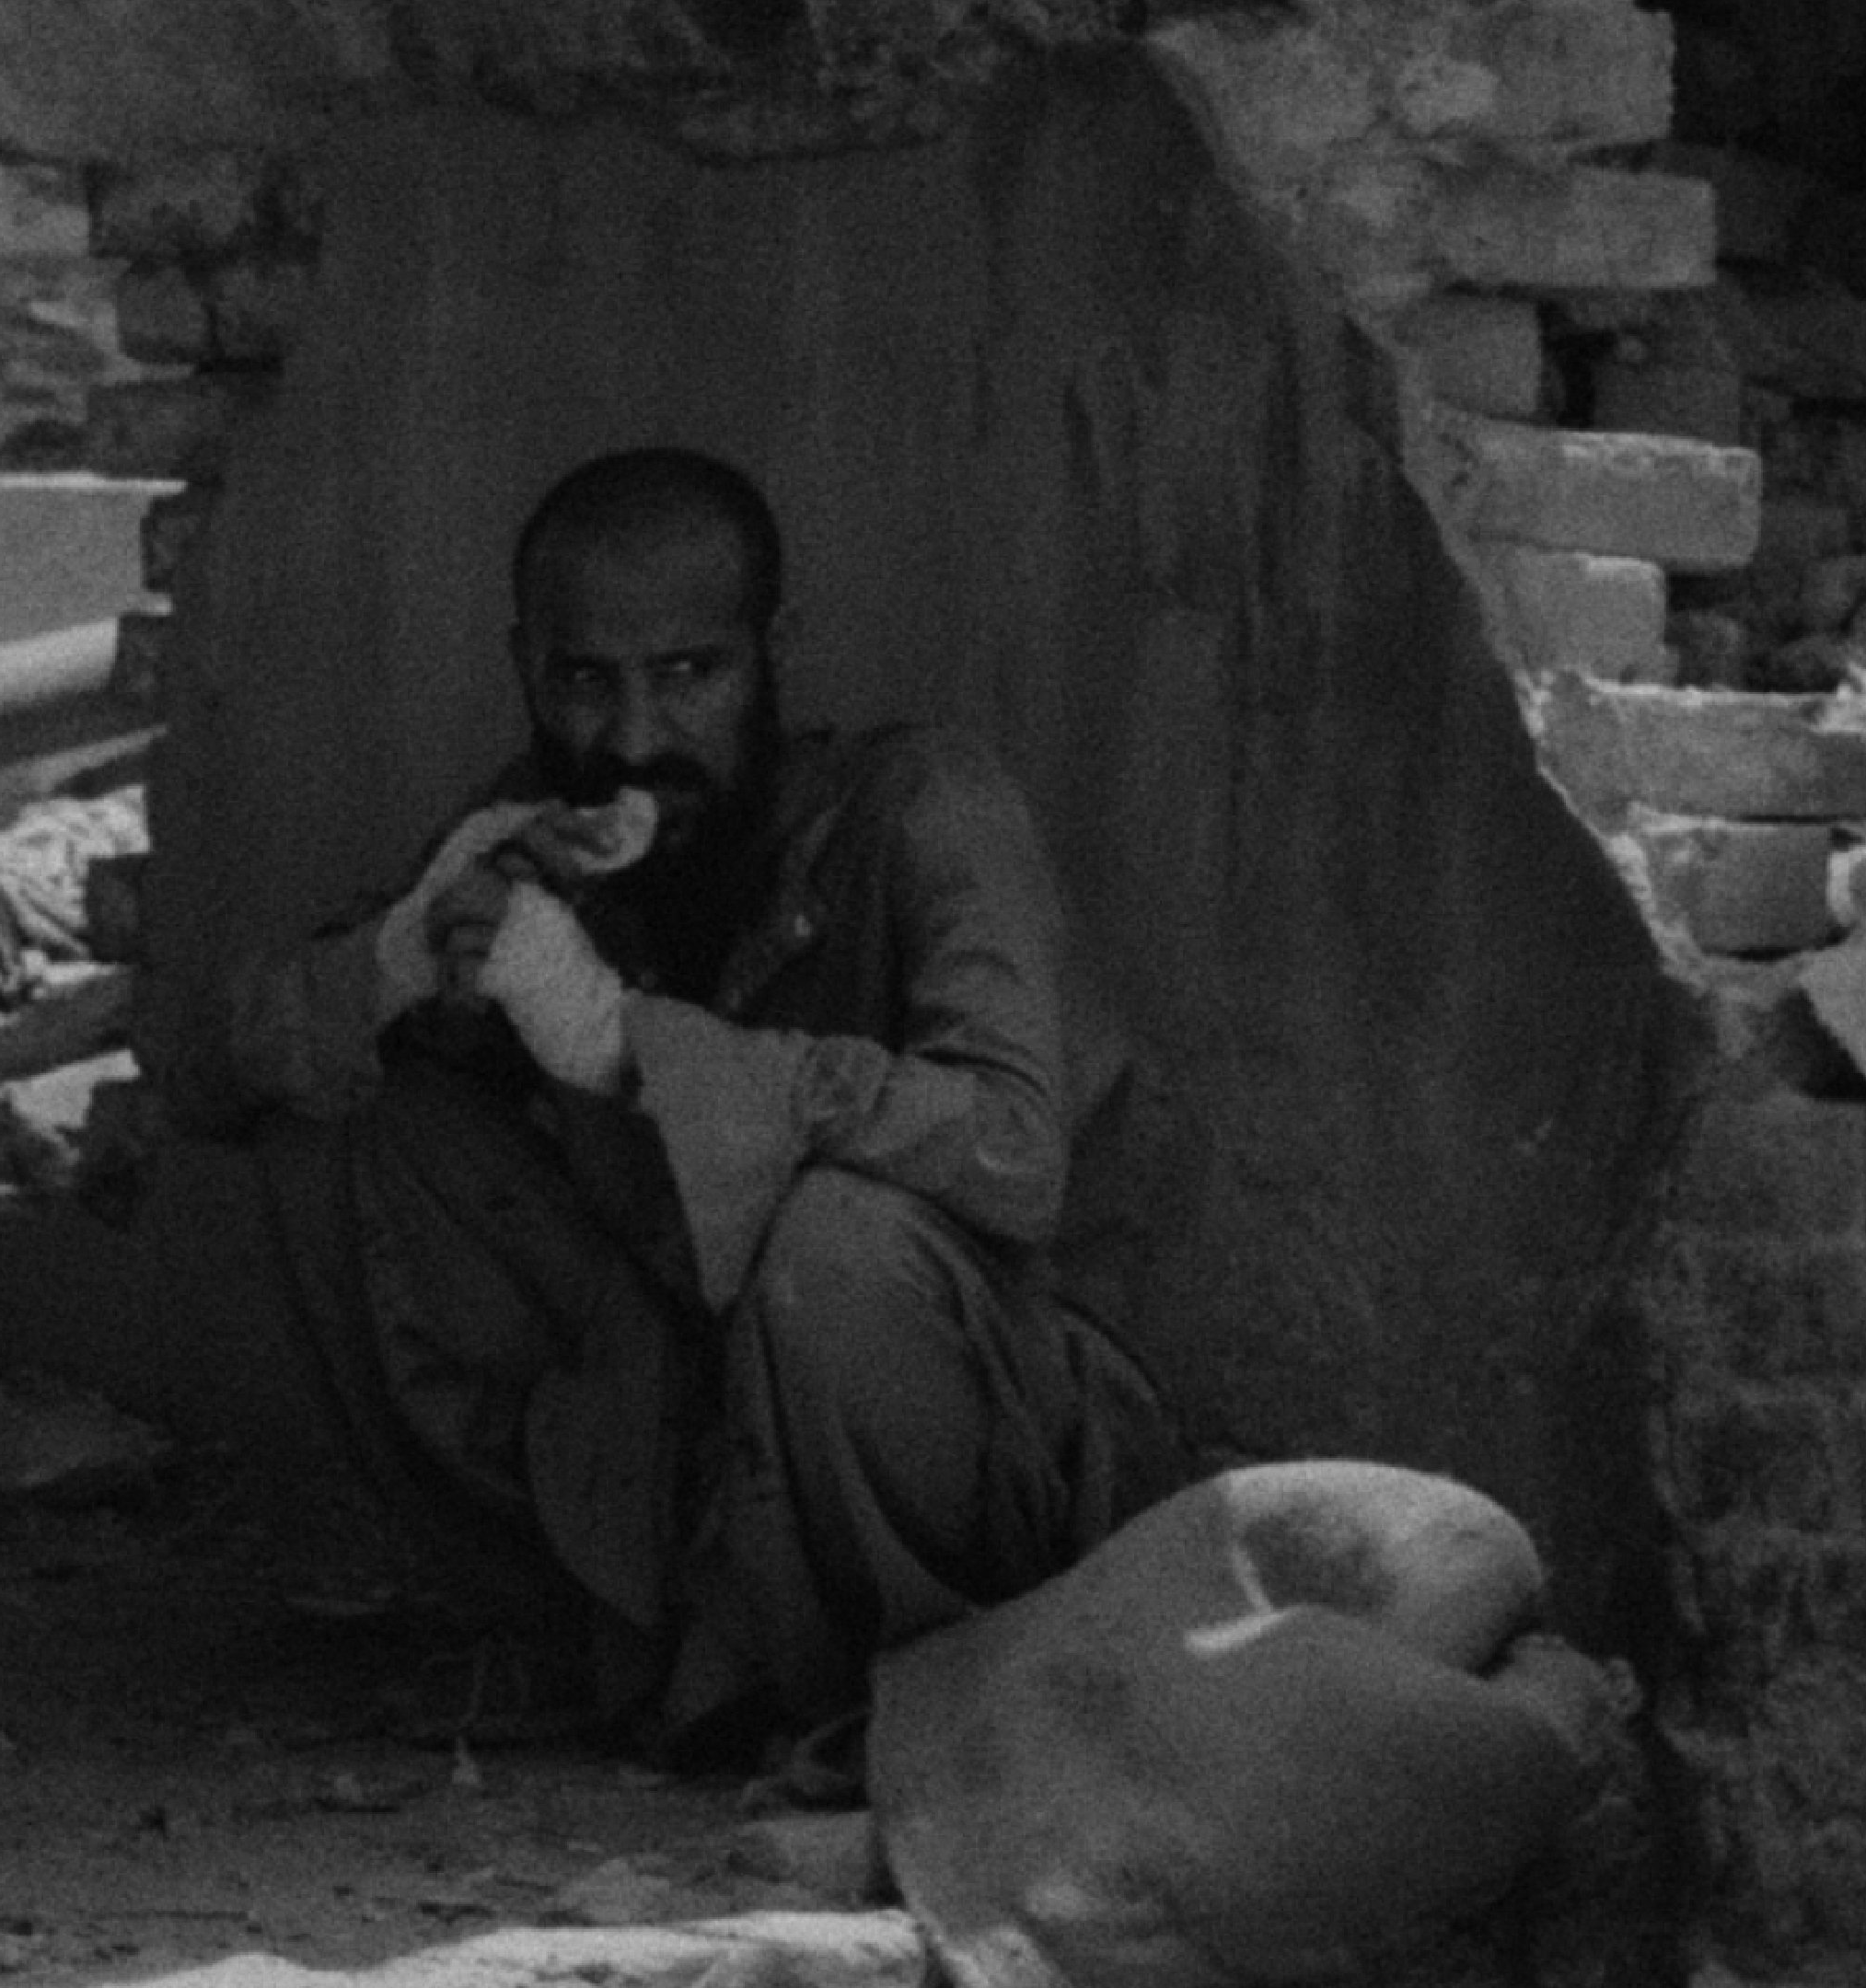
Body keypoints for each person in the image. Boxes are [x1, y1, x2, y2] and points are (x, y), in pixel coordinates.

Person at [222, 446, 1187, 1771]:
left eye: (688, 674)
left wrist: (633, 1050)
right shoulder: (544, 826)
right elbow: (221, 1072)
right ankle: (592, 1647)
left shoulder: (926, 809)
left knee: (833, 1242)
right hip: (689, 1440)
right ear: (525, 666)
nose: (633, 739)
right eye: (585, 681)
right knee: (342, 1108)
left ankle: (925, 1698)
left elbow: (1015, 1152)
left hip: (979, 1447)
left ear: (774, 652)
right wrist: (396, 957)